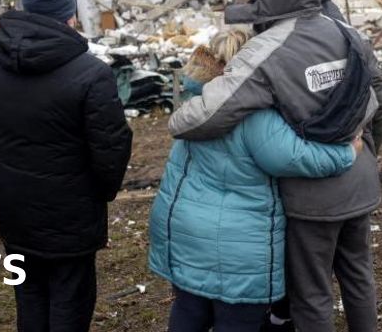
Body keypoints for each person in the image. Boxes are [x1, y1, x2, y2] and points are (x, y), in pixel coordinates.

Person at [169, 0, 382, 332]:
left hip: (311, 197)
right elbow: (379, 95)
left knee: (312, 294)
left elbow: (209, 114)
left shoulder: (266, 50)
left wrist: (177, 117)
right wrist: (368, 152)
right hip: (360, 182)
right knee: (358, 278)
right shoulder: (347, 33)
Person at [149, 29, 362, 332]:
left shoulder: (197, 103)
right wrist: (348, 152)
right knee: (235, 319)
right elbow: (295, 157)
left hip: (184, 231)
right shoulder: (252, 116)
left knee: (189, 309)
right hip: (235, 246)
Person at [0, 0, 133, 332]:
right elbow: (111, 150)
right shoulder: (92, 73)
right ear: (69, 17)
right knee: (70, 301)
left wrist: (15, 157)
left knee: (29, 295)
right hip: (72, 214)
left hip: (15, 208)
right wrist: (98, 192)